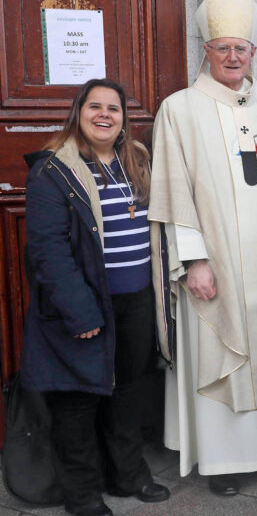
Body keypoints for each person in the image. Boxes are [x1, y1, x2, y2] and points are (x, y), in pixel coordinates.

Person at [148, 0, 257, 496]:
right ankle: (223, 460)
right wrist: (193, 260)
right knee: (222, 346)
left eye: (242, 48)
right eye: (224, 48)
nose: (233, 57)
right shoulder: (180, 108)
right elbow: (173, 191)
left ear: (255, 52)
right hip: (215, 258)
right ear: (207, 51)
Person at [22, 78, 171, 516]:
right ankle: (83, 494)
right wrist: (80, 310)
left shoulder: (136, 159)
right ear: (78, 112)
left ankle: (127, 475)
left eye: (114, 108)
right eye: (95, 107)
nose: (105, 115)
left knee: (128, 393)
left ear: (124, 119)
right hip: (87, 305)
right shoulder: (53, 171)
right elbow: (48, 251)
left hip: (137, 300)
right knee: (78, 401)